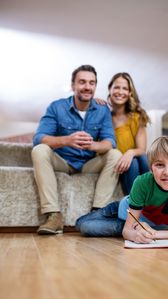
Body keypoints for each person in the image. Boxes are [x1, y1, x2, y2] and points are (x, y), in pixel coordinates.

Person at [32, 65, 122, 235]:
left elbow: (110, 141)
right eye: (82, 82)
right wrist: (67, 140)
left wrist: (94, 145)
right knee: (39, 150)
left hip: (88, 163)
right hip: (63, 162)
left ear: (95, 86)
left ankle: (97, 213)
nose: (87, 87)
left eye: (92, 83)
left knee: (115, 154)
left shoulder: (102, 109)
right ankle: (53, 216)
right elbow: (39, 137)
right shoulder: (56, 107)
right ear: (73, 85)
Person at [75, 136, 168, 242]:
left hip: (152, 226)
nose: (167, 172)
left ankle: (138, 227)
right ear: (151, 167)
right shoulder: (142, 182)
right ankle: (137, 226)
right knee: (82, 224)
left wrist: (154, 234)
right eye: (160, 165)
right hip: (124, 209)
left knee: (89, 227)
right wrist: (136, 229)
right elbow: (127, 231)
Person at [107, 72, 151, 195]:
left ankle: (153, 199)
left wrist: (130, 152)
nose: (120, 92)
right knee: (132, 163)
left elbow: (142, 149)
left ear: (130, 93)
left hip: (134, 162)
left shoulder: (136, 117)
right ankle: (134, 208)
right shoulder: (103, 116)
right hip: (115, 163)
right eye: (116, 87)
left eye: (125, 88)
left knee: (141, 158)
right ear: (110, 89)